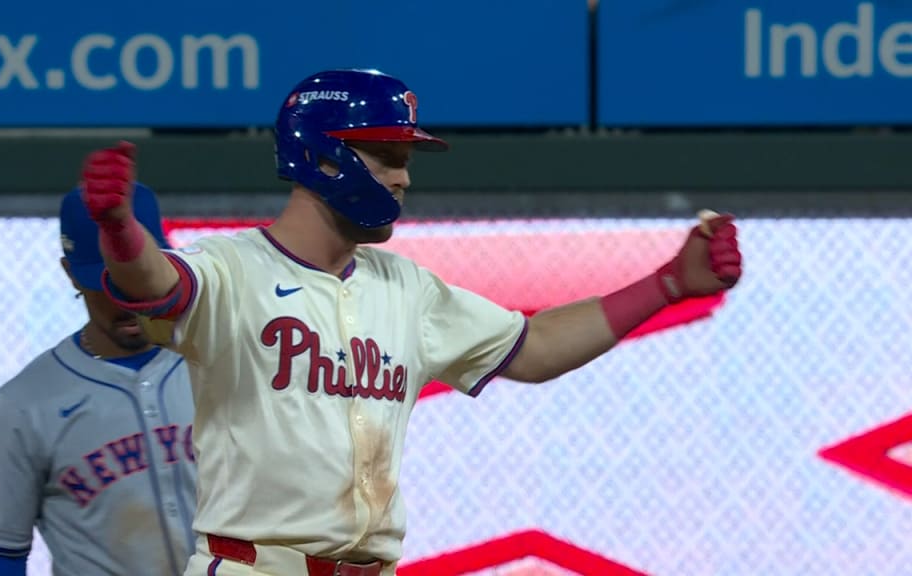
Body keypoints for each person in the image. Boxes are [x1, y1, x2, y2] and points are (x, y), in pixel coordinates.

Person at [78, 69, 743, 576]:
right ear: (322, 154)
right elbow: (154, 283)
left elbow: (535, 347)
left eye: (405, 160)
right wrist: (118, 230)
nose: (402, 179)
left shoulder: (406, 288)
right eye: (387, 156)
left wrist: (668, 285)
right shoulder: (233, 268)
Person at [0, 184, 198, 576]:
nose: (126, 296)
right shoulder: (22, 405)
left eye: (136, 273)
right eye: (106, 281)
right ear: (71, 273)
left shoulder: (219, 361)